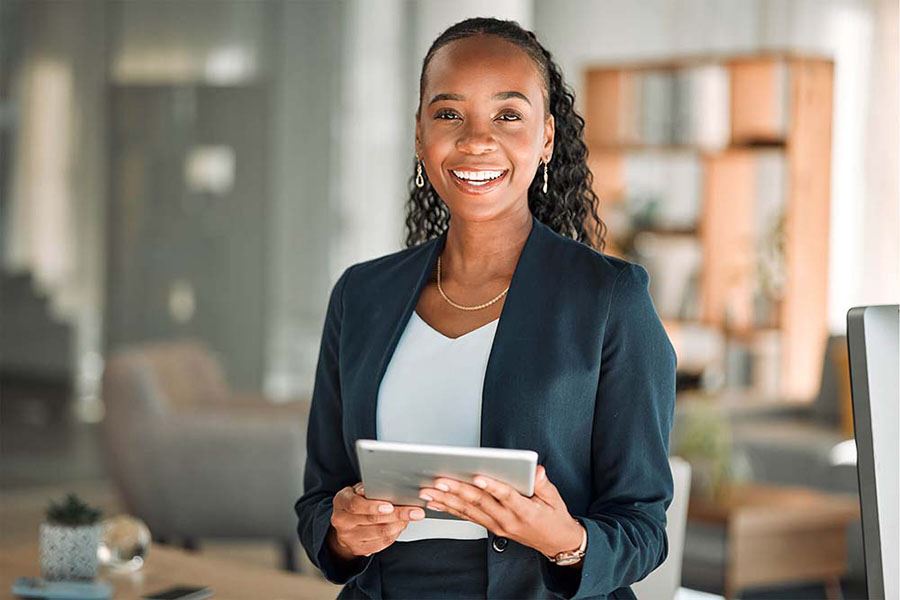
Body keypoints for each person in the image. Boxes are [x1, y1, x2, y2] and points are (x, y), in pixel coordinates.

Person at [295, 17, 676, 600]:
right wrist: (343, 533)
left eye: (508, 115)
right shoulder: (360, 295)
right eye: (449, 114)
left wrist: (565, 539)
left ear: (546, 138)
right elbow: (320, 498)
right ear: (420, 136)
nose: (476, 141)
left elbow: (643, 525)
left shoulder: (609, 299)